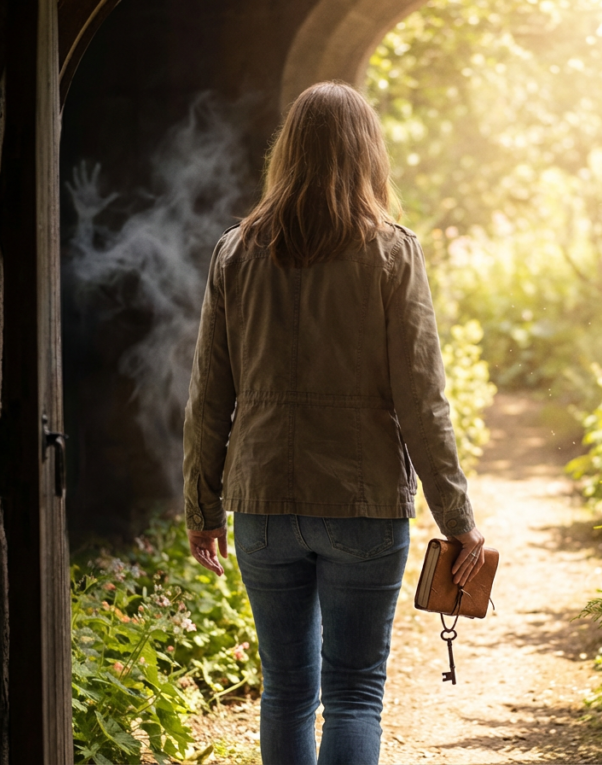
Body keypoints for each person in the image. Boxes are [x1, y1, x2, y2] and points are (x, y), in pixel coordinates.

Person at [181, 80, 487, 765]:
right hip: (362, 504)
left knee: (286, 691)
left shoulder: (235, 252)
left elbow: (208, 393)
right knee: (353, 692)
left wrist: (201, 505)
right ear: (366, 154)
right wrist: (456, 513)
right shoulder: (391, 253)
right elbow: (422, 396)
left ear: (286, 154)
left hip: (261, 502)